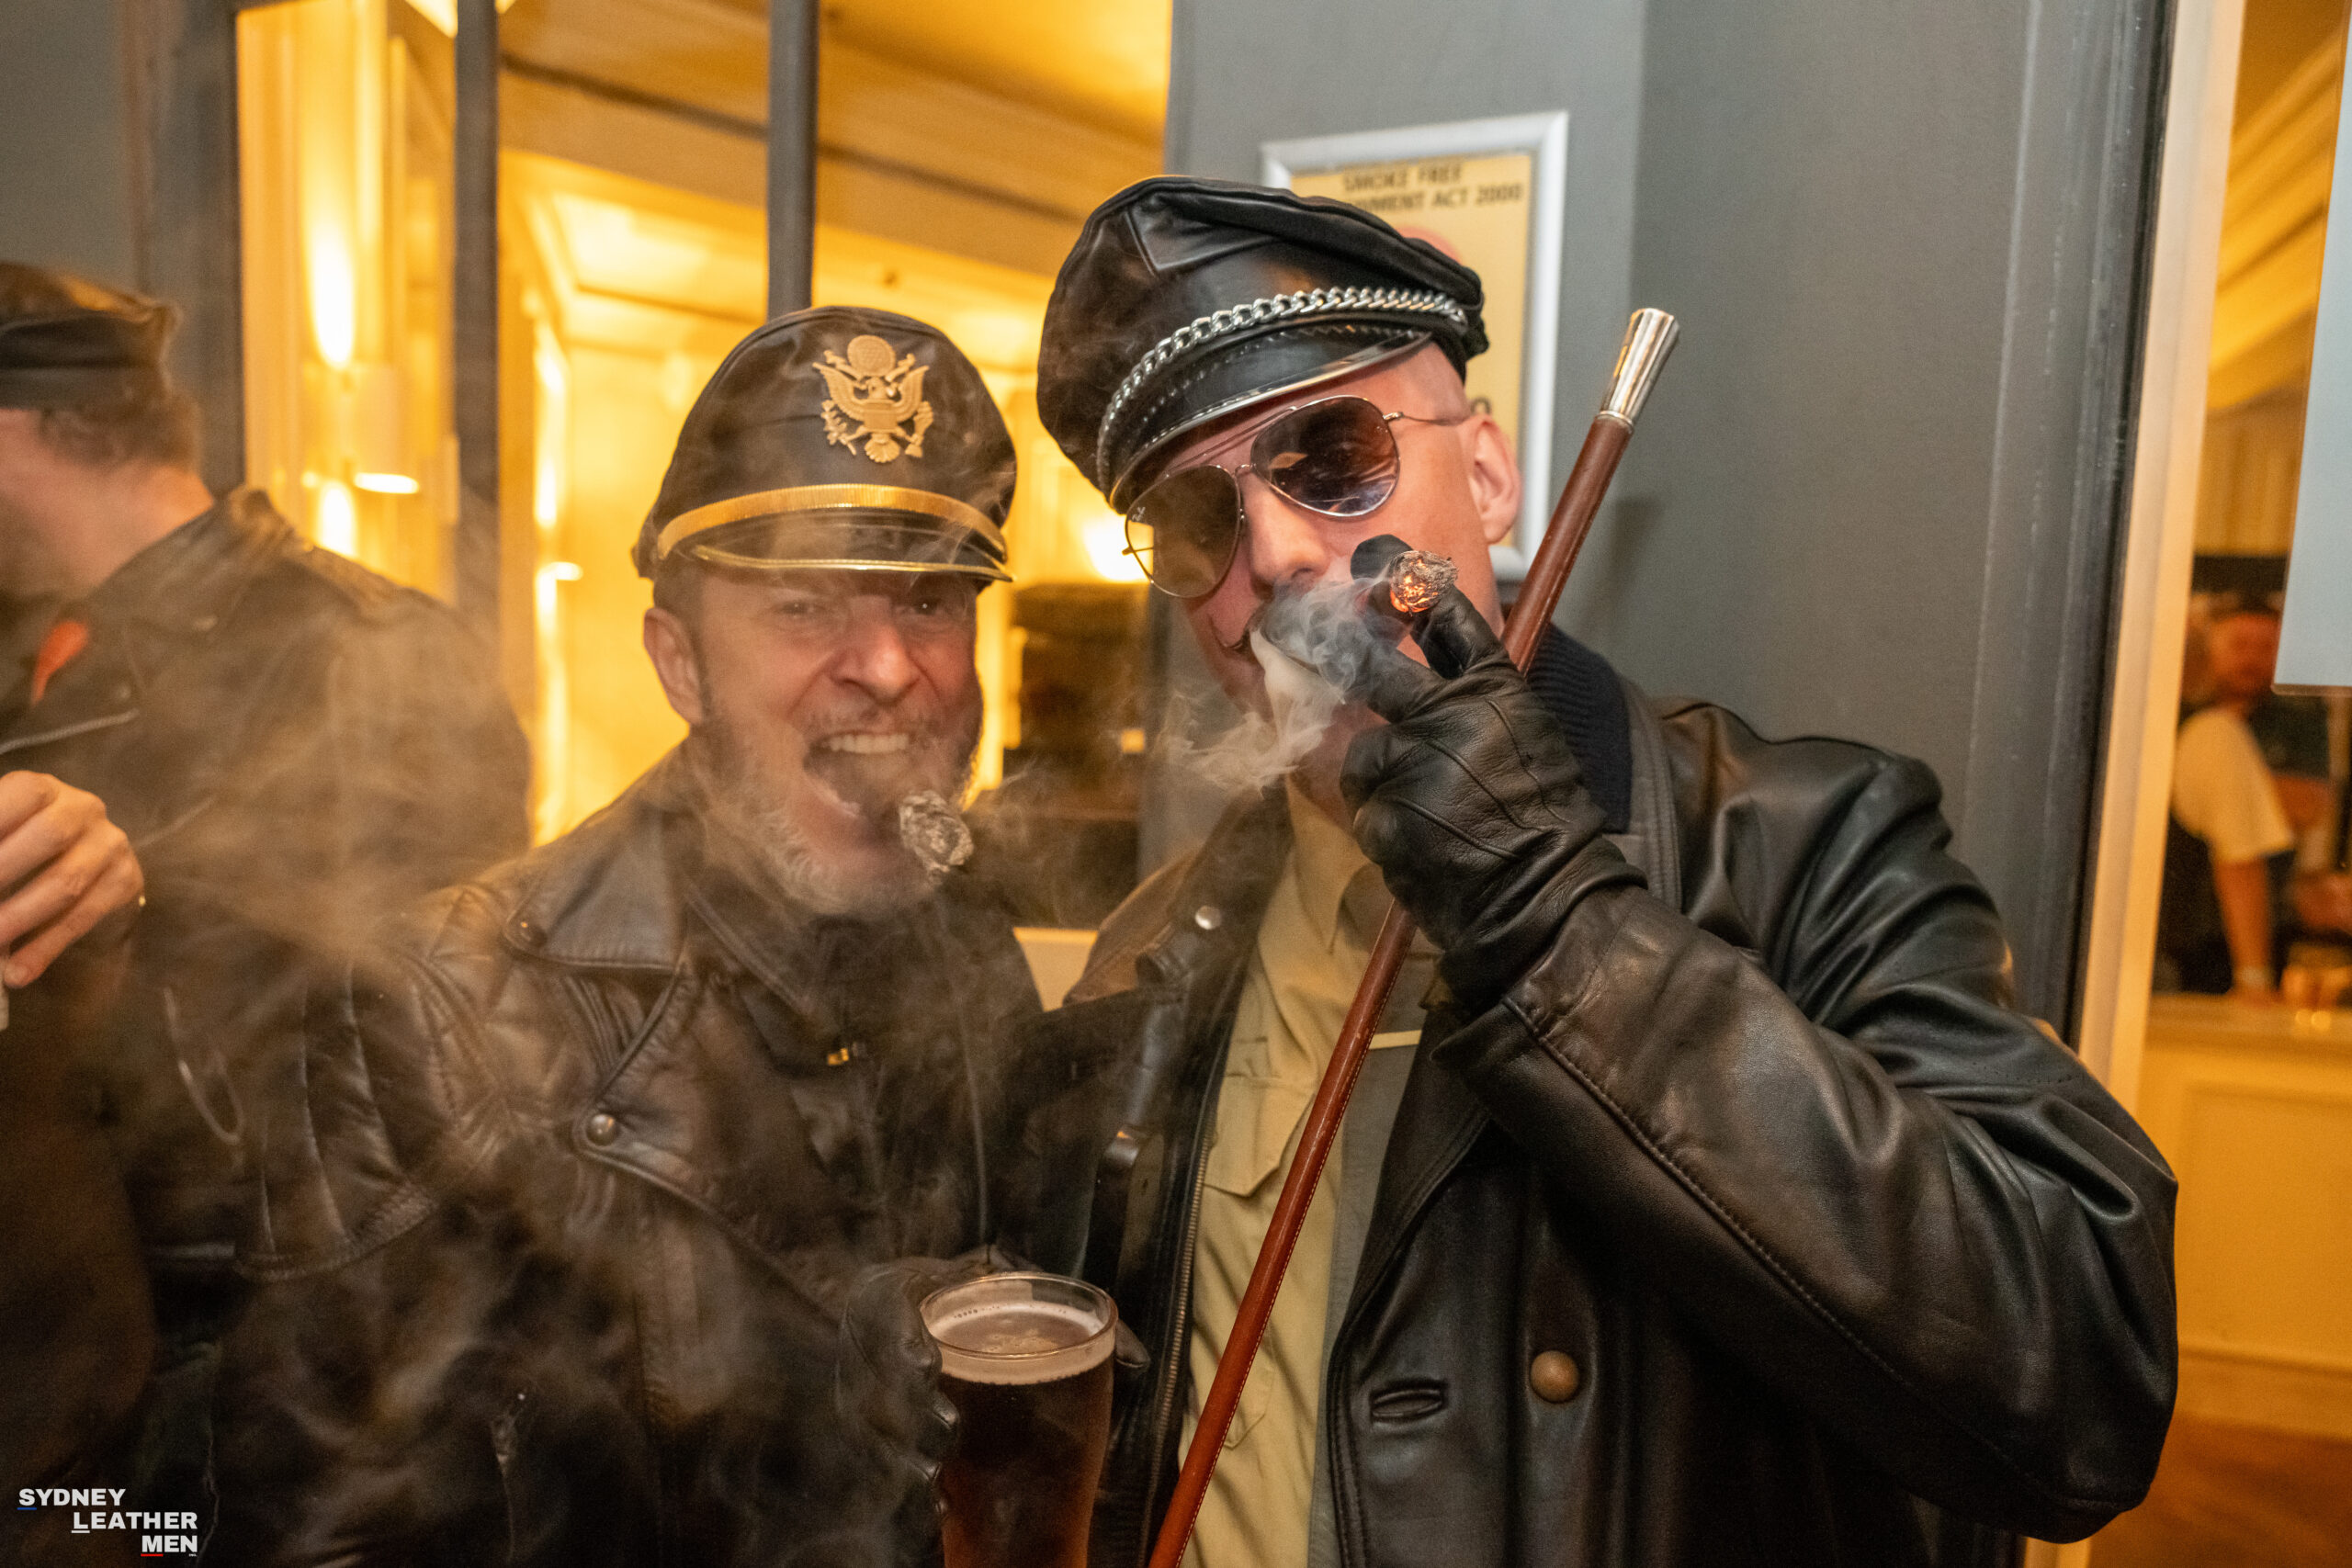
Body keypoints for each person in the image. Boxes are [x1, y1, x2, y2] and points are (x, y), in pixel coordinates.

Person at [1012, 180, 2176, 1567]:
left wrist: (1559, 930)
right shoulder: (1168, 938)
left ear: (1488, 474)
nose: (1274, 554)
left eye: (1331, 455)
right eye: (1198, 520)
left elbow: (2083, 1379)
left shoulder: (1801, 840)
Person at [215, 308, 1050, 1566]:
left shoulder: (967, 934)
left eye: (931, 600)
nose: (887, 665)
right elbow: (322, 1534)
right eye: (804, 604)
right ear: (680, 664)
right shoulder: (436, 1012)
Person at [0, 263, 529, 1534]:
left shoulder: (366, 650)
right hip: (78, 1353)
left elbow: (443, 1036)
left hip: (257, 1389)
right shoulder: (46, 653)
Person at [2157, 594, 2335, 996]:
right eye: (2239, 645)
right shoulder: (2178, 714)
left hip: (2261, 923)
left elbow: (2309, 807)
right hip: (2175, 924)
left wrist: (2231, 781)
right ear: (2210, 648)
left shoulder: (2298, 717)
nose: (2252, 659)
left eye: (2266, 647)